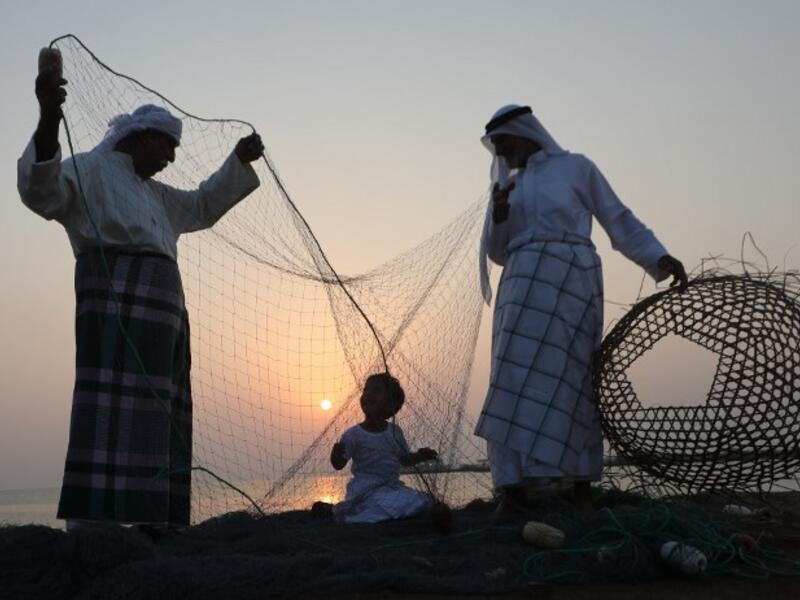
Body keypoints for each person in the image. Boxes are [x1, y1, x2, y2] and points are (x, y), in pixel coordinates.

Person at [17, 57, 264, 530]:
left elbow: (204, 204)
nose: (170, 158)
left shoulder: (158, 196)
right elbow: (39, 190)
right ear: (140, 137)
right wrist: (49, 115)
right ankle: (93, 528)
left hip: (164, 314)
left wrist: (238, 160)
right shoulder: (88, 168)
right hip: (114, 303)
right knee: (107, 406)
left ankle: (157, 522)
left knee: (159, 412)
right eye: (167, 147)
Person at [475, 104, 687, 513]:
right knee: (511, 378)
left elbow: (618, 218)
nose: (500, 155)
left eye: (504, 144)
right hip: (520, 284)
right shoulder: (507, 187)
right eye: (495, 149)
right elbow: (498, 253)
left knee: (575, 375)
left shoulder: (576, 168)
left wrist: (657, 257)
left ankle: (580, 485)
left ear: (525, 133)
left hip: (572, 281)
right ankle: (512, 487)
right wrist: (500, 217)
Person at [326, 373, 438, 524]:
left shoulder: (395, 432)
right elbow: (339, 464)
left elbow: (404, 460)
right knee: (391, 504)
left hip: (391, 487)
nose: (368, 394)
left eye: (376, 391)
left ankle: (380, 513)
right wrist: (336, 455)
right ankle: (363, 514)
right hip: (364, 490)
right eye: (366, 390)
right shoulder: (353, 434)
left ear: (392, 406)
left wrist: (420, 456)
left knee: (423, 500)